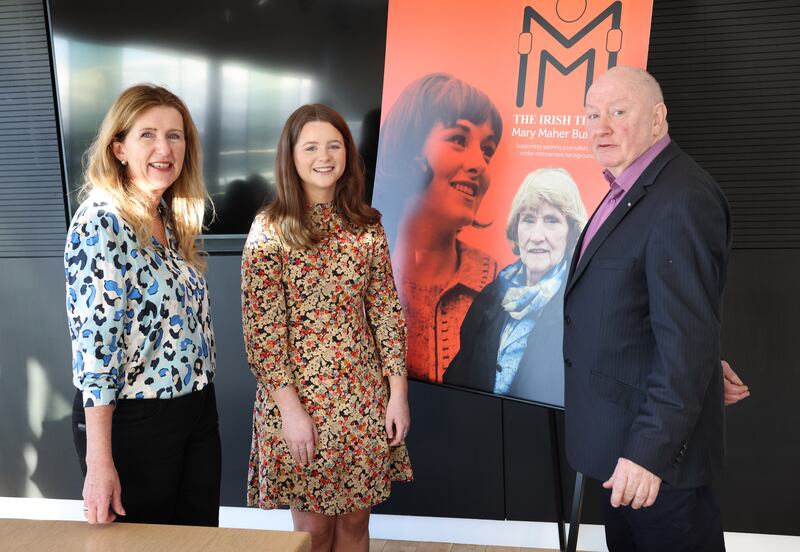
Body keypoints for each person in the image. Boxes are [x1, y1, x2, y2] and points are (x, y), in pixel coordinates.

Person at [563, 66, 734, 550]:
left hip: (654, 464)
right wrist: (701, 364)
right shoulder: (630, 187)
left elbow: (686, 339)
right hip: (622, 447)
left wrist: (648, 455)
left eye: (618, 112)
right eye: (592, 114)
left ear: (657, 118)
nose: (601, 127)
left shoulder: (683, 197)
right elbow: (667, 321)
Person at [241, 104, 413, 552]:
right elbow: (263, 336)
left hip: (362, 401)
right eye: (311, 146)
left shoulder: (366, 227)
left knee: (355, 527)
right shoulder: (270, 230)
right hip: (300, 404)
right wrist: (291, 413)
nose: (324, 156)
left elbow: (387, 314)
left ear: (347, 154)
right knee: (314, 533)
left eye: (334, 145)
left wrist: (398, 395)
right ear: (291, 156)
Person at [65, 84, 221, 526]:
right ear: (118, 147)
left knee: (197, 540)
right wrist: (100, 463)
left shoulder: (170, 219)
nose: (164, 147)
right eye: (147, 134)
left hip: (195, 410)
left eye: (175, 135)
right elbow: (95, 351)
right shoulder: (102, 221)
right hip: (136, 419)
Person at [374, 72, 503, 383]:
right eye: (459, 139)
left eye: (487, 150)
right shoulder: (361, 261)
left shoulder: (497, 281)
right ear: (413, 148)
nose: (480, 164)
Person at [445, 168, 587, 406]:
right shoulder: (491, 295)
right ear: (516, 228)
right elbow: (458, 376)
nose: (537, 236)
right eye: (529, 220)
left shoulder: (581, 304)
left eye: (552, 221)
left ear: (571, 233)